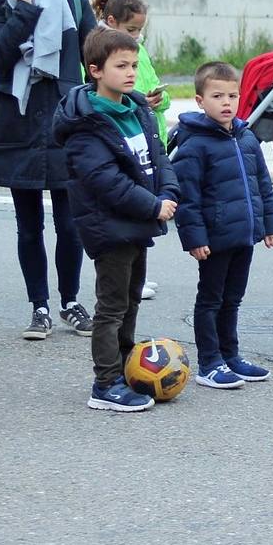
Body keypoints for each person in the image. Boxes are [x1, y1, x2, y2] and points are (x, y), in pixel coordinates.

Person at [51, 27, 179, 413]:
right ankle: (104, 383)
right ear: (95, 70)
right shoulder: (86, 124)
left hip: (136, 222)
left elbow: (158, 158)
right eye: (121, 65)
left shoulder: (136, 108)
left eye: (134, 65)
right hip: (109, 227)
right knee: (111, 308)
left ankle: (126, 371)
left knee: (130, 301)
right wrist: (152, 206)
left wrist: (168, 192)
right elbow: (106, 181)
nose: (130, 73)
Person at [0, 0, 98, 341]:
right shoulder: (0, 2)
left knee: (70, 224)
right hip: (19, 122)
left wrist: (127, 95)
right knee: (28, 225)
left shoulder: (75, 0)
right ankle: (40, 307)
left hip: (66, 123)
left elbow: (96, 58)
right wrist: (24, 6)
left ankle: (70, 301)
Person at [172, 61, 273, 389]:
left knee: (233, 298)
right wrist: (194, 237)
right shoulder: (194, 144)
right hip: (215, 239)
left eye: (232, 96)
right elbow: (187, 197)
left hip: (243, 235)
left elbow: (262, 184)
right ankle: (209, 362)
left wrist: (270, 224)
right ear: (199, 101)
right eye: (217, 96)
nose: (226, 103)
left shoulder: (246, 138)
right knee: (211, 299)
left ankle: (230, 355)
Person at [91, 0, 169, 300]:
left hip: (149, 135)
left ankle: (138, 274)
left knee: (144, 215)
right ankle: (124, 277)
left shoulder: (139, 50)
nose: (137, 37)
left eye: (139, 31)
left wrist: (157, 101)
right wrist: (137, 100)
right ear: (112, 24)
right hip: (126, 140)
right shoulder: (101, 49)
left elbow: (153, 87)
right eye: (132, 29)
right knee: (129, 211)